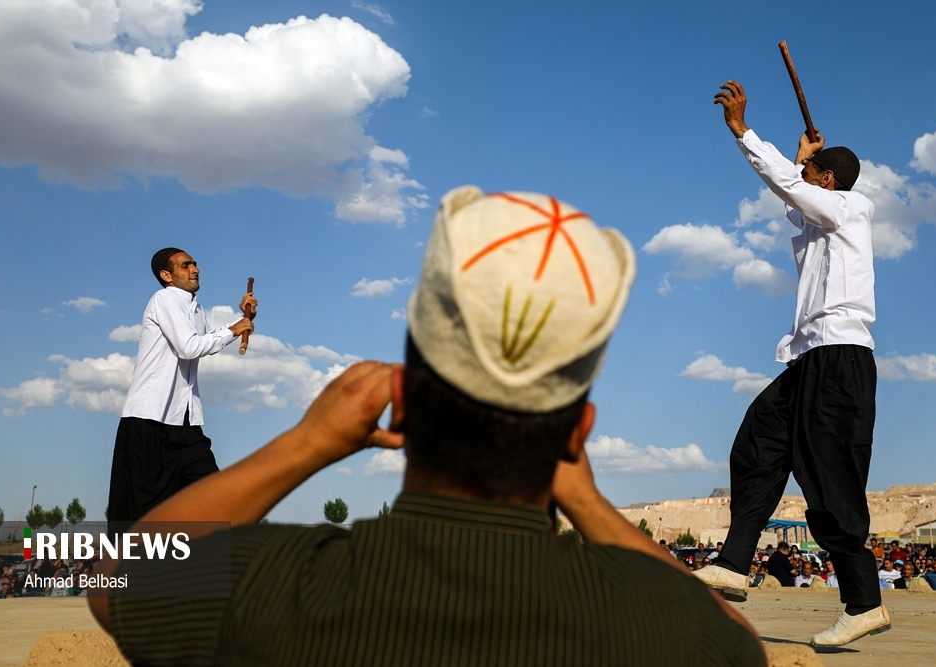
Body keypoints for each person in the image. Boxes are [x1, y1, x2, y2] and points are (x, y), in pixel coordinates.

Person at [88, 188, 766, 666]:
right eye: (185, 265)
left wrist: (306, 440)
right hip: (156, 420)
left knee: (128, 534)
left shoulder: (280, 584)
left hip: (180, 428)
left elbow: (115, 580)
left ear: (400, 406)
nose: (192, 270)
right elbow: (735, 638)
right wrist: (584, 497)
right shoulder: (657, 622)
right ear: (577, 433)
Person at [696, 80, 887, 647]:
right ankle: (733, 563)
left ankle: (864, 603)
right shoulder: (819, 218)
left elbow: (789, 185)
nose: (804, 181)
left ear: (829, 181)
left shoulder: (851, 208)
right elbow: (793, 196)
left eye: (813, 174)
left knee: (829, 483)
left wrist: (744, 133)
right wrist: (801, 157)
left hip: (840, 361)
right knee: (756, 445)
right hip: (807, 360)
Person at [106, 248, 256, 525]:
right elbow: (188, 347)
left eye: (195, 264)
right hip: (148, 422)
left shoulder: (195, 308)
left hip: (186, 425)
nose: (195, 269)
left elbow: (205, 341)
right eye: (186, 265)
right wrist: (233, 330)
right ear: (167, 275)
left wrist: (241, 321)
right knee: (141, 517)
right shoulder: (164, 299)